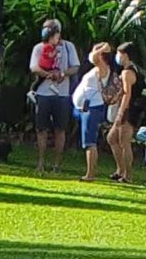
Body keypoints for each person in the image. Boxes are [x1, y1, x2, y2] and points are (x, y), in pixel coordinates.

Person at [27, 18, 80, 174]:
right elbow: (33, 66)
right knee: (41, 129)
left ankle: (57, 164)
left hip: (62, 94)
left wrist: (62, 73)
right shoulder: (39, 47)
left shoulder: (68, 47)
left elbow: (75, 67)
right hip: (43, 93)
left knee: (60, 129)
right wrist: (46, 74)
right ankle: (40, 162)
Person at [72, 43, 114, 183]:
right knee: (87, 140)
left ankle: (90, 174)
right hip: (84, 107)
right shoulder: (96, 69)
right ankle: (89, 172)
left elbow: (94, 57)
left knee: (90, 141)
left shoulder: (102, 68)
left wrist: (102, 48)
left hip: (92, 108)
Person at [108, 44, 141, 186]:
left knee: (124, 142)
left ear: (125, 55)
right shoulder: (131, 70)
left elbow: (128, 94)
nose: (118, 56)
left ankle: (128, 174)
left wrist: (121, 113)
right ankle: (120, 169)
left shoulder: (128, 72)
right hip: (128, 109)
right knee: (112, 138)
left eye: (119, 53)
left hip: (129, 110)